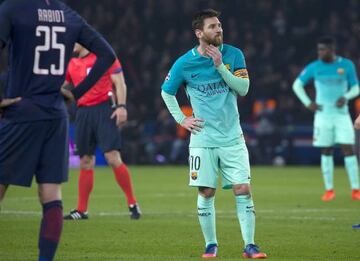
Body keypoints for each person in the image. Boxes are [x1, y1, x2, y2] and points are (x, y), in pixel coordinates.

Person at [0, 0, 116, 260]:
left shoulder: (13, 8)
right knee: (51, 194)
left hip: (22, 110)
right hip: (56, 114)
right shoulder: (67, 14)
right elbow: (107, 54)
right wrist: (74, 94)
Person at [161, 9, 267, 259]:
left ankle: (250, 245)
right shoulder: (184, 63)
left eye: (219, 25)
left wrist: (220, 66)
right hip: (203, 140)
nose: (218, 29)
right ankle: (211, 245)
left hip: (232, 137)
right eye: (212, 26)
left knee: (243, 189)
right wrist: (181, 119)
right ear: (199, 33)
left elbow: (243, 89)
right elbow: (167, 92)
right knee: (206, 192)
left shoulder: (233, 54)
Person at [62, 44, 141, 220]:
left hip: (104, 109)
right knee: (85, 161)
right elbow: (64, 88)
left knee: (112, 157)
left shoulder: (104, 57)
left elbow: (120, 82)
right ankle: (82, 210)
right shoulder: (72, 63)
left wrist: (121, 106)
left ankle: (132, 203)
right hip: (82, 112)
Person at [292, 36, 360, 201]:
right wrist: (308, 103)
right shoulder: (315, 67)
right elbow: (297, 85)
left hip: (341, 115)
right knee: (326, 150)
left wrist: (346, 96)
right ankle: (329, 190)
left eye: (323, 49)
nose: (320, 52)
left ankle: (356, 189)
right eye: (319, 49)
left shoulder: (346, 65)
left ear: (331, 50)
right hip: (322, 115)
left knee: (348, 149)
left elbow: (356, 88)